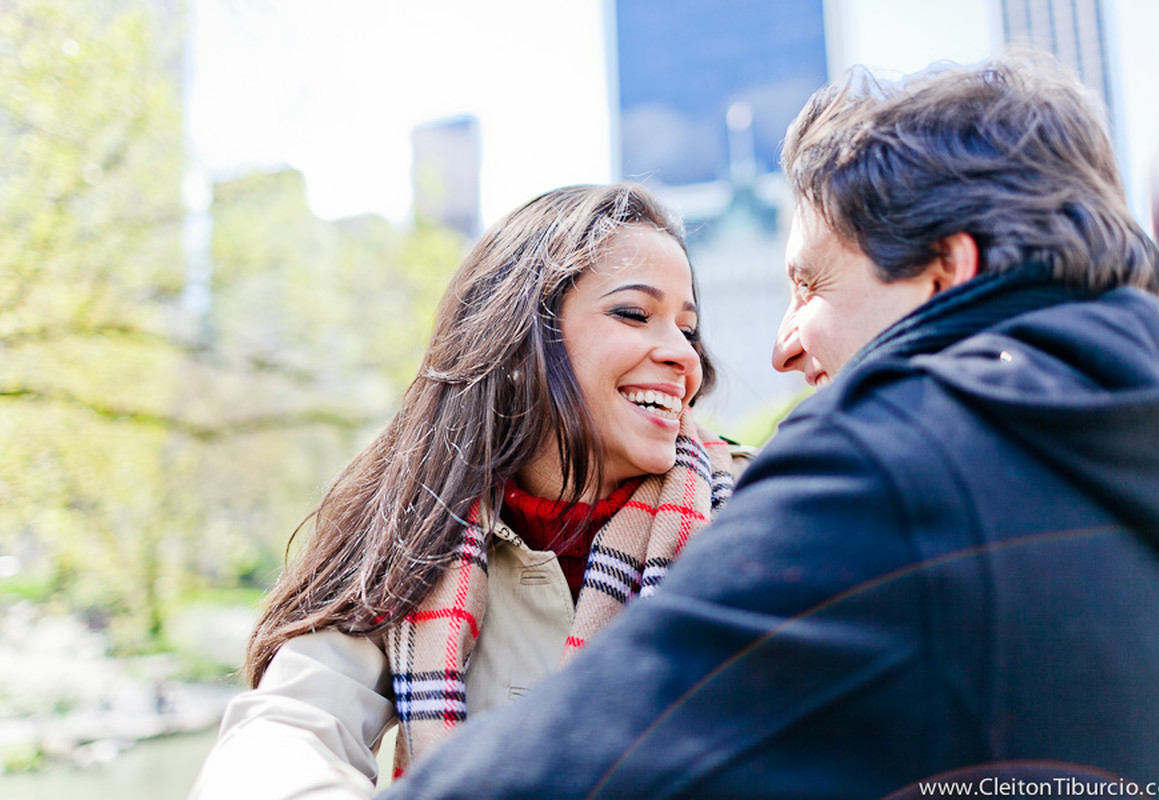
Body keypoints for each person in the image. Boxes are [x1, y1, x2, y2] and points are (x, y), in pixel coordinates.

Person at [374, 53, 1159, 800]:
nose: (781, 346)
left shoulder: (891, 466)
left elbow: (590, 759)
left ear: (947, 271)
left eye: (810, 286)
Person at [188, 183, 752, 798]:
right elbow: (286, 733)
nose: (681, 355)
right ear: (521, 343)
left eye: (688, 329)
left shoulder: (755, 512)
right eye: (634, 314)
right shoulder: (414, 529)